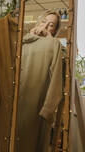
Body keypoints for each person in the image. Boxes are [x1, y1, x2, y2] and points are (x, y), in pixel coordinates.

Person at [16, 9, 63, 152]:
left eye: (51, 25)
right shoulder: (22, 42)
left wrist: (47, 110)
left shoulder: (55, 45)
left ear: (55, 30)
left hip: (38, 108)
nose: (46, 26)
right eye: (44, 21)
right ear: (38, 22)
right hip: (18, 105)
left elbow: (56, 81)